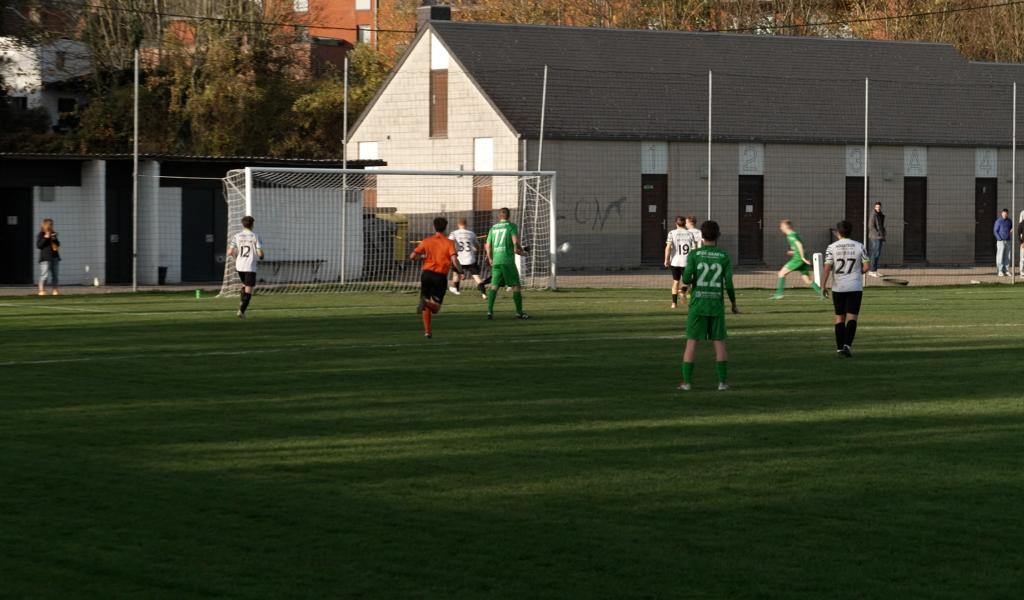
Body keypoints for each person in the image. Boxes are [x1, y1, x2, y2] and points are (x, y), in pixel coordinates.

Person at [679, 220, 738, 391]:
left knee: (691, 343)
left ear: (701, 235)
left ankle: (687, 383)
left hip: (698, 305)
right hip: (716, 305)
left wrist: (686, 283)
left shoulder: (694, 255)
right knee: (719, 343)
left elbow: (687, 277)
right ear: (718, 235)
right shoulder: (724, 256)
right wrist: (733, 303)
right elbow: (729, 284)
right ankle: (722, 383)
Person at [821, 220, 870, 358]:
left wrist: (823, 285)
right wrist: (857, 272)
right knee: (852, 317)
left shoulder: (831, 247)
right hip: (854, 287)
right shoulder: (860, 246)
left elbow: (827, 268)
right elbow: (866, 267)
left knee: (839, 318)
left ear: (838, 233)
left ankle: (838, 348)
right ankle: (847, 345)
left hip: (839, 288)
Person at [411, 217, 461, 338]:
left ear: (434, 227)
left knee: (426, 302)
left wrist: (421, 258)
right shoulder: (449, 243)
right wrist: (460, 270)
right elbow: (454, 259)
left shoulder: (427, 241)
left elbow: (413, 256)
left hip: (426, 274)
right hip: (439, 276)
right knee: (435, 308)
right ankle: (426, 302)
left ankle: (427, 331)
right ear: (445, 227)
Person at [484, 207, 529, 320]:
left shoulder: (493, 228)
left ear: (499, 216)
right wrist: (520, 251)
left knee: (494, 286)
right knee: (516, 286)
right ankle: (519, 312)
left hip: (496, 261)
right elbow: (515, 242)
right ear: (509, 216)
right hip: (507, 261)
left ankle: (489, 311)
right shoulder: (511, 226)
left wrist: (490, 258)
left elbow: (488, 245)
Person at [770, 220, 825, 300]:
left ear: (786, 226)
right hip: (802, 259)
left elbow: (799, 245)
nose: (780, 228)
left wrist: (801, 257)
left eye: (781, 226)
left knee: (781, 273)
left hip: (798, 259)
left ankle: (779, 294)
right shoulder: (795, 234)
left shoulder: (791, 235)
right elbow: (800, 247)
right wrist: (794, 252)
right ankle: (823, 294)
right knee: (807, 280)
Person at [226, 215, 264, 319]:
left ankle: (242, 305)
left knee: (244, 285)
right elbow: (260, 254)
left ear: (243, 224)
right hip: (249, 266)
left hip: (239, 266)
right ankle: (241, 311)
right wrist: (261, 256)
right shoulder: (255, 236)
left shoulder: (237, 236)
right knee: (249, 289)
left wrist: (236, 257)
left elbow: (230, 252)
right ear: (252, 225)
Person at [663, 216, 701, 308]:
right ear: (685, 223)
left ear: (676, 223)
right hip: (686, 262)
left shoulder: (671, 233)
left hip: (675, 262)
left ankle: (673, 304)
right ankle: (683, 291)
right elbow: (694, 249)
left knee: (675, 281)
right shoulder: (689, 234)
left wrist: (666, 260)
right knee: (689, 282)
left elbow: (668, 247)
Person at [448, 218, 486, 299]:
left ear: (458, 224)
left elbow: (449, 243)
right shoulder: (471, 233)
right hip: (470, 259)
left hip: (459, 259)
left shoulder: (454, 233)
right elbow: (477, 246)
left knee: (455, 274)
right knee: (477, 277)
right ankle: (484, 293)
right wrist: (476, 249)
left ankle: (456, 289)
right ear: (466, 224)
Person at [36, 218, 61, 296]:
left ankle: (55, 289)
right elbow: (39, 245)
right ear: (45, 225)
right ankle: (41, 290)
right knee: (45, 275)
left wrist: (54, 238)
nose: (51, 226)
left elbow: (57, 245)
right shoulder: (41, 234)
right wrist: (45, 238)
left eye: (52, 224)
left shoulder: (53, 234)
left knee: (55, 274)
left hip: (54, 257)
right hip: (45, 258)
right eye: (50, 224)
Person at [867, 202, 886, 277]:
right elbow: (871, 226)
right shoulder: (873, 215)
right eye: (877, 207)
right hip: (875, 237)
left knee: (877, 254)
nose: (878, 208)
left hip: (879, 236)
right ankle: (871, 271)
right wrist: (879, 234)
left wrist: (883, 233)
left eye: (879, 207)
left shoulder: (879, 214)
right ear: (874, 207)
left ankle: (874, 270)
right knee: (875, 253)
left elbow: (881, 225)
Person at [994, 208, 1012, 276]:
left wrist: (1011, 230)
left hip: (1008, 240)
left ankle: (1006, 270)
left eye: (1006, 213)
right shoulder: (998, 221)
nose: (1005, 214)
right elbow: (995, 231)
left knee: (1007, 256)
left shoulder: (1009, 221)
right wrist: (999, 239)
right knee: (1000, 256)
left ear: (1008, 214)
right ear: (1002, 213)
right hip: (1000, 241)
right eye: (1004, 213)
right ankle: (1000, 271)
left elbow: (1011, 228)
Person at [1018, 210, 1024, 276]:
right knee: (1022, 258)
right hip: (1023, 243)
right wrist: (1022, 242)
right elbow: (1018, 234)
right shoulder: (1021, 224)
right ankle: (1021, 272)